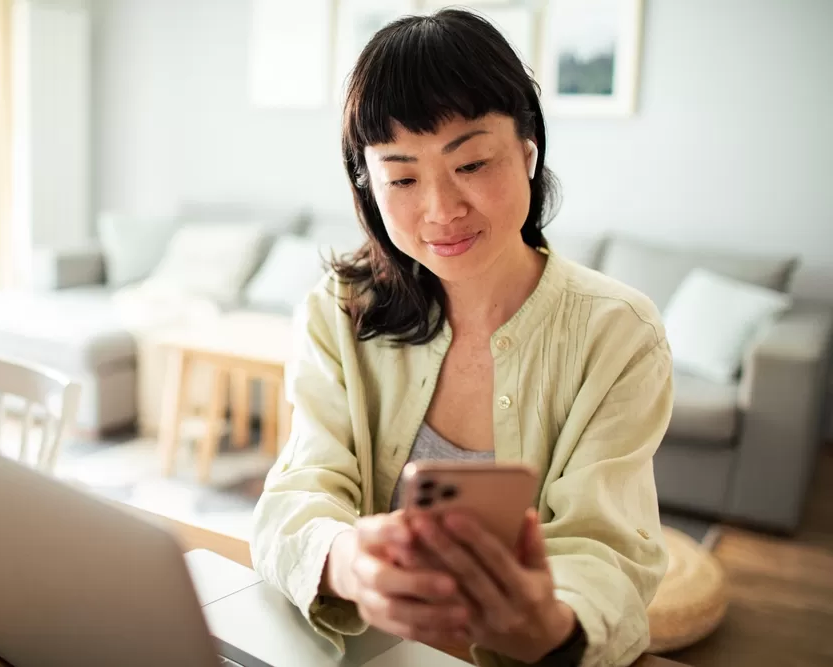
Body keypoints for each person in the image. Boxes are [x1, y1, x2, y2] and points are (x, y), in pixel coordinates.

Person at [249, 8, 671, 667]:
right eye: (403, 178)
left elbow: (607, 551)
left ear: (528, 154)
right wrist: (348, 562)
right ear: (367, 183)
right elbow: (298, 494)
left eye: (471, 163)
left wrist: (548, 624)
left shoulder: (618, 333)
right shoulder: (339, 312)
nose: (441, 210)